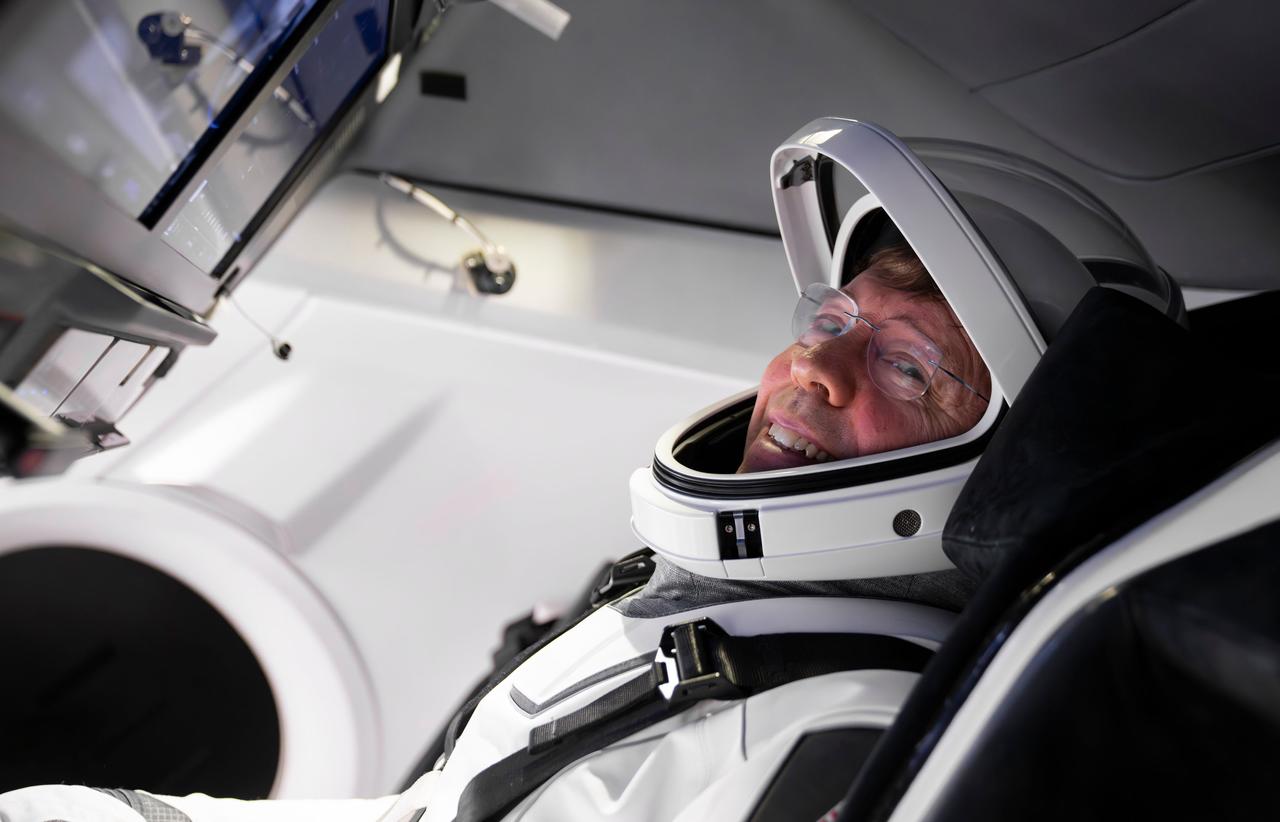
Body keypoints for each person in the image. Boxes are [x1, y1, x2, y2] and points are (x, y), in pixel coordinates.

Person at [0, 118, 1182, 822]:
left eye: (908, 368)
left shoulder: (842, 736)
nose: (809, 369)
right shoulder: (738, 610)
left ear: (998, 473)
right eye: (831, 320)